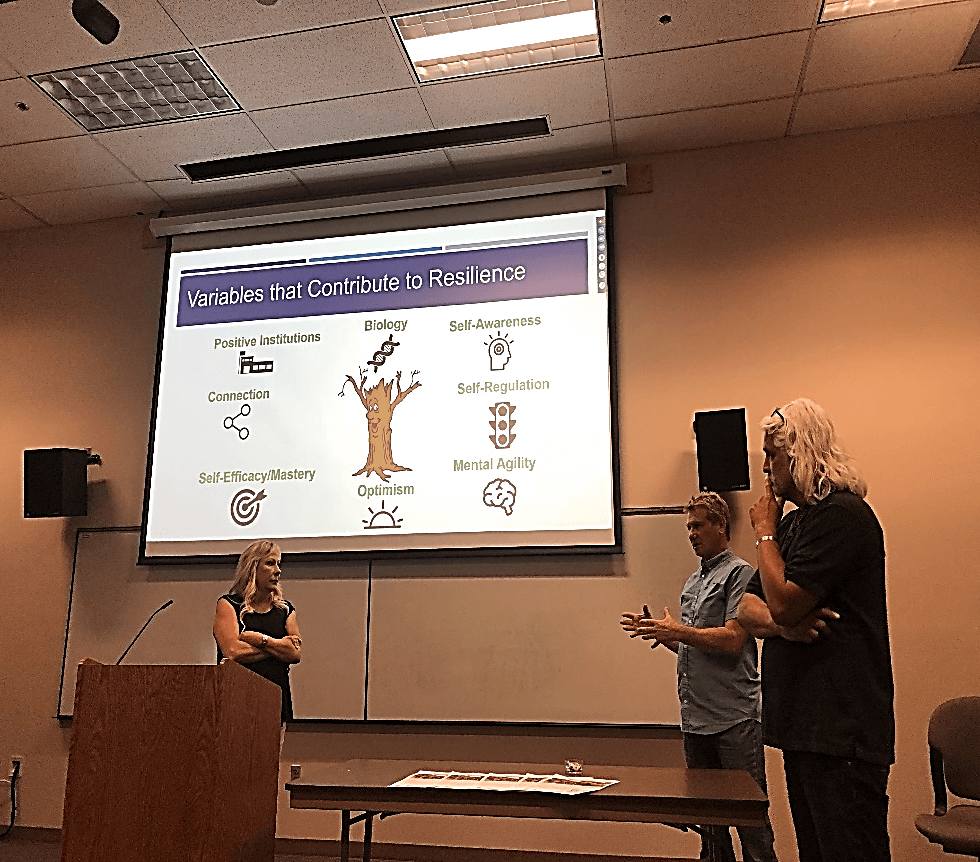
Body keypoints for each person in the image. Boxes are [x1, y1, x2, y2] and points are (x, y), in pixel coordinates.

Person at [737, 399, 894, 862]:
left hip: (841, 729)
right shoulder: (795, 523)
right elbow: (747, 608)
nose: (765, 467)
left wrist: (764, 533)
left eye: (772, 455)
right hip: (803, 728)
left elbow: (782, 601)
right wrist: (784, 631)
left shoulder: (841, 516)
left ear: (800, 453)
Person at [622, 492, 777, 862]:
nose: (691, 533)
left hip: (733, 721)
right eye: (688, 527)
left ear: (720, 526)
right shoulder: (692, 583)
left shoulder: (739, 573)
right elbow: (697, 648)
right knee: (709, 829)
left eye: (698, 525)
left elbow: (732, 640)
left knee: (751, 827)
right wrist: (665, 636)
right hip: (695, 721)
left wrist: (678, 633)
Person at [213, 540, 302, 724]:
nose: (278, 570)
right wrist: (278, 648)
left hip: (276, 699)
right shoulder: (228, 604)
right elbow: (233, 651)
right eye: (270, 563)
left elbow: (294, 653)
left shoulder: (285, 610)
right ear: (253, 567)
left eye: (279, 564)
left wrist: (259, 639)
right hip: (236, 697)